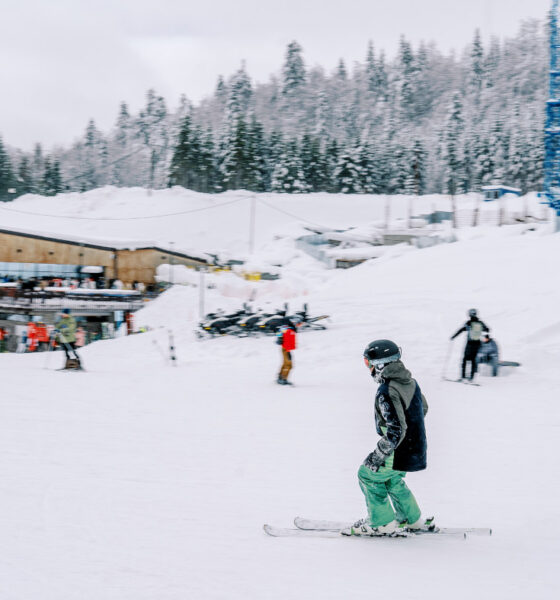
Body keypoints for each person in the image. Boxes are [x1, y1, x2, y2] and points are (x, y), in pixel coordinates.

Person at [342, 339, 432, 537]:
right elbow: (423, 408)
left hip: (396, 449)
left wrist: (378, 455)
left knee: (367, 475)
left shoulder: (387, 390)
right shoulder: (410, 382)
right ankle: (411, 518)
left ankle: (382, 523)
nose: (369, 368)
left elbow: (396, 430)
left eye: (368, 363)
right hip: (415, 447)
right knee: (393, 480)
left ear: (381, 364)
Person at [450, 309, 490, 381]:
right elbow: (488, 330)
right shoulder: (480, 323)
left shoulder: (469, 323)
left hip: (470, 344)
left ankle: (463, 377)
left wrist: (453, 336)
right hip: (478, 344)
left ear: (469, 315)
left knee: (465, 360)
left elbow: (461, 330)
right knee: (473, 360)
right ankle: (471, 378)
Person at [276, 318, 297, 385]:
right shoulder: (286, 329)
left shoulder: (285, 328)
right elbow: (279, 333)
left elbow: (279, 332)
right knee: (289, 365)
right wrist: (279, 338)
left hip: (286, 348)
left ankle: (280, 377)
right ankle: (283, 379)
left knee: (285, 364)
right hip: (286, 348)